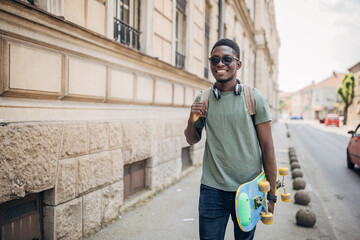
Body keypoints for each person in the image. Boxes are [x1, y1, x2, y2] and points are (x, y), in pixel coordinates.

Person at [184, 38, 277, 240]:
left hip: (249, 189)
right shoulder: (203, 98)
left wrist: (271, 194)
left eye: (227, 59)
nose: (220, 64)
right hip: (212, 190)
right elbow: (192, 140)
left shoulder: (253, 98)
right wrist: (192, 119)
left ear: (238, 64)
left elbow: (268, 148)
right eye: (215, 59)